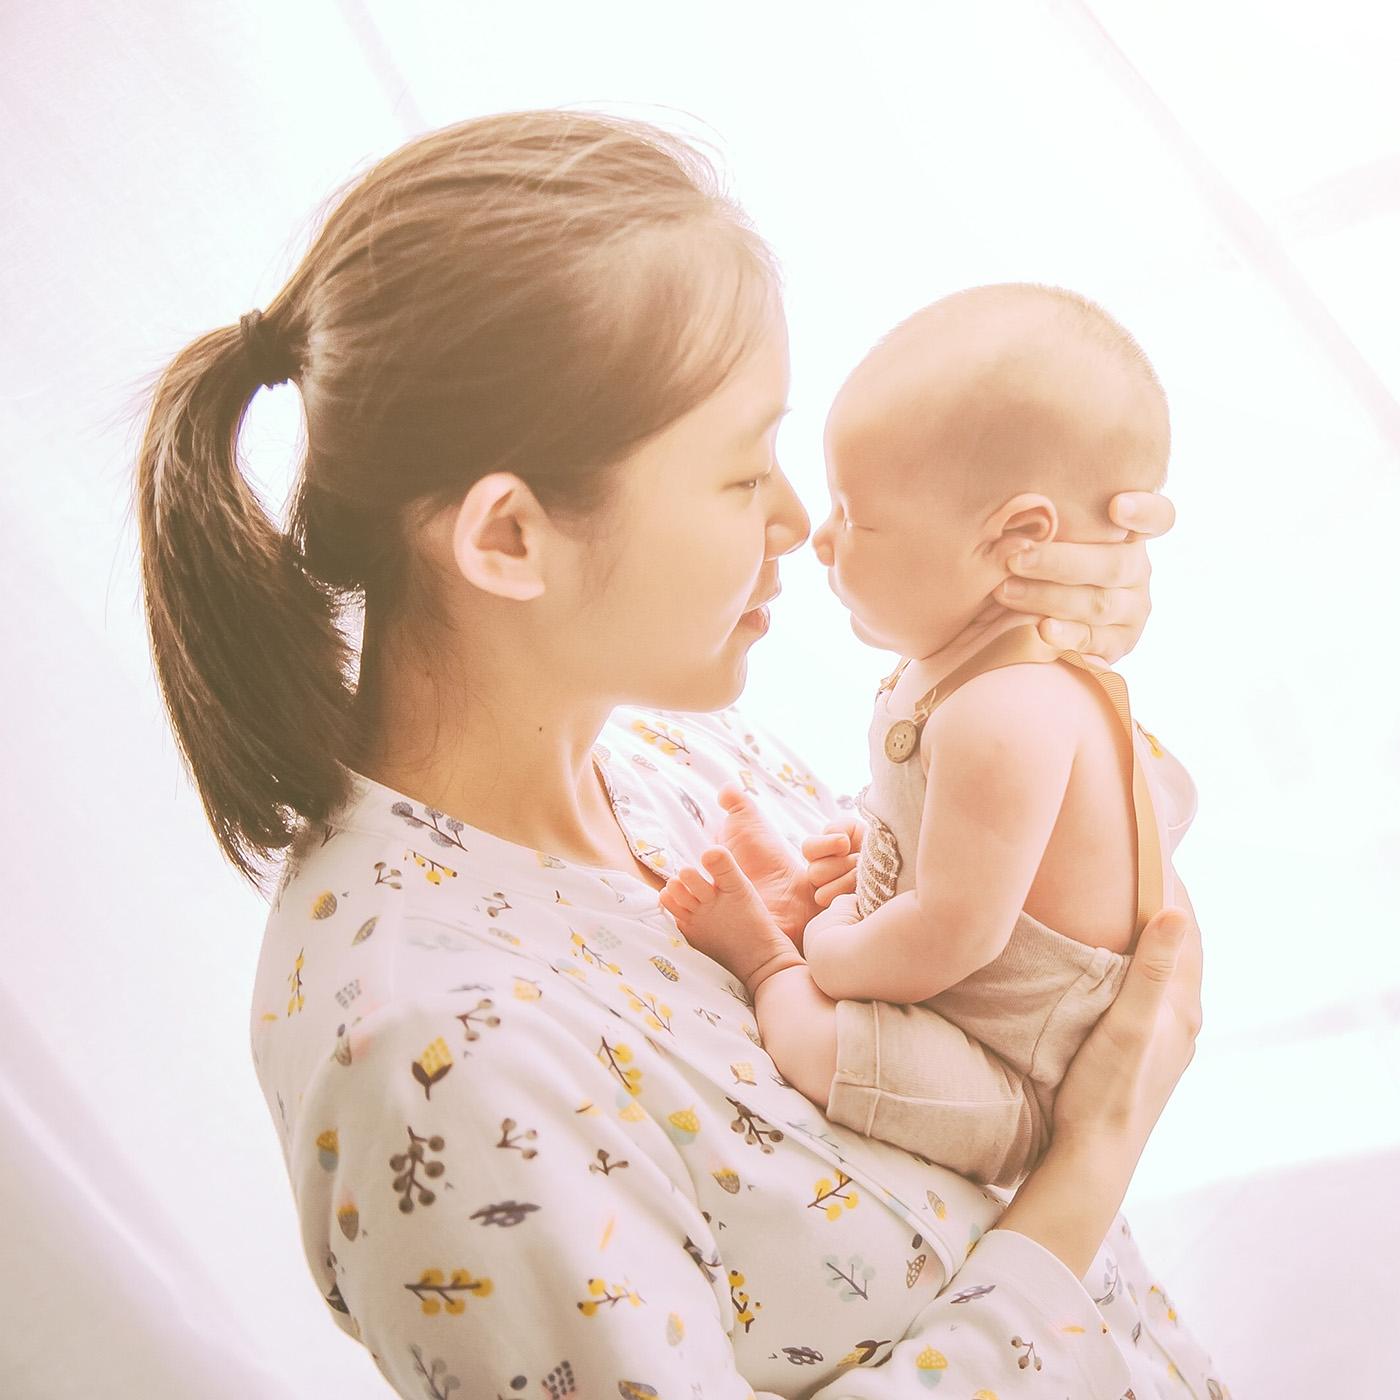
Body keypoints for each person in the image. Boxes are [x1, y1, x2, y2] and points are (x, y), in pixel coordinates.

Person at [134, 111, 1225, 1397]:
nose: (795, 518)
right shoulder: (430, 1058)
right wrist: (1090, 1160)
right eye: (738, 471)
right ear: (507, 540)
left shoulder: (671, 758)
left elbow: (1002, 965)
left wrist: (1032, 651)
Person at [660, 282, 1201, 1191]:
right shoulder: (962, 668)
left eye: (856, 516)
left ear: (1017, 538)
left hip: (1018, 1071)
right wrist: (873, 852)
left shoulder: (1009, 712)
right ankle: (801, 896)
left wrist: (825, 950)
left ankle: (764, 954)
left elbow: (955, 935)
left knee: (833, 1047)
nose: (818, 538)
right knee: (857, 883)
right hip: (952, 989)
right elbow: (958, 846)